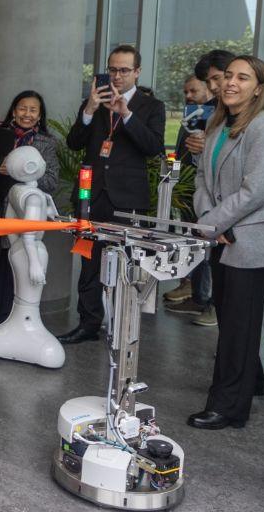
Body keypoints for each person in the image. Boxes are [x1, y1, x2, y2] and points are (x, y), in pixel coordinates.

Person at [187, 55, 264, 430]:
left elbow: (256, 191)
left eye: (243, 78)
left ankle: (228, 407)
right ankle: (251, 381)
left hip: (252, 237)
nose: (231, 82)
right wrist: (211, 223)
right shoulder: (217, 126)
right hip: (223, 235)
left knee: (238, 328)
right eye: (228, 75)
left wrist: (213, 223)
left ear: (258, 88)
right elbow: (201, 183)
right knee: (232, 320)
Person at [59, 45, 165, 344]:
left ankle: (122, 325)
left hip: (128, 198)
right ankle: (88, 323)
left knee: (126, 264)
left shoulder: (150, 107)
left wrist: (127, 115)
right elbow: (73, 142)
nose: (116, 76)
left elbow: (153, 146)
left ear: (137, 72)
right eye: (112, 69)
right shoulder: (94, 101)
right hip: (90, 194)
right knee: (88, 260)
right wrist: (90, 110)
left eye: (124, 70)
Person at [0, 90, 59, 327]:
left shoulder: (47, 143)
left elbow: (51, 181)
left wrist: (22, 171)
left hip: (26, 213)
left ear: (40, 115)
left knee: (19, 261)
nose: (27, 114)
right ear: (13, 110)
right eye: (22, 108)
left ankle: (14, 316)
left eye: (33, 110)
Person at [164, 75, 216, 325]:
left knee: (208, 249)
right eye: (186, 91)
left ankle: (210, 302)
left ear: (209, 89)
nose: (188, 96)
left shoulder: (217, 119)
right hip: (187, 188)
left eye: (193, 90)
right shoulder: (189, 118)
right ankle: (195, 293)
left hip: (209, 193)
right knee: (192, 242)